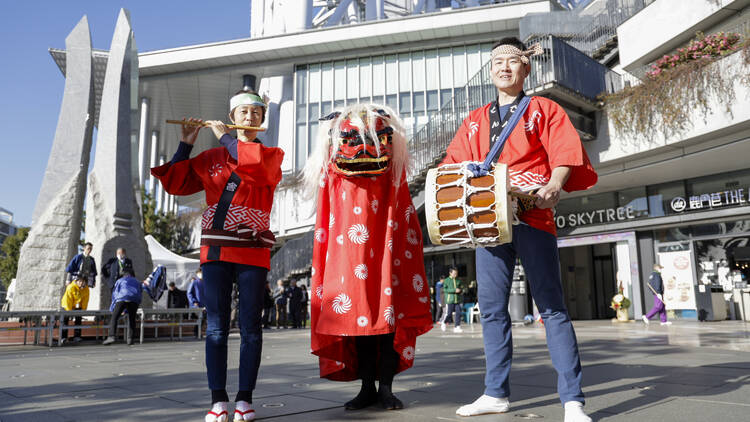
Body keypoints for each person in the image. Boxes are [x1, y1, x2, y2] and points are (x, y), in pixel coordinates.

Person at [442, 37, 598, 422]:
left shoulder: (544, 109)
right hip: (487, 221)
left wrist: (555, 184)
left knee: (551, 307)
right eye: (497, 62)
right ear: (491, 70)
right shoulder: (474, 120)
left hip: (532, 214)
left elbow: (564, 152)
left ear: (526, 68)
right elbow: (453, 166)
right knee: (493, 310)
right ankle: (495, 392)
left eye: (513, 61)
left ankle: (572, 400)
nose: (504, 68)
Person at [151, 88, 284, 422]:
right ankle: (218, 400)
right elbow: (176, 183)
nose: (250, 117)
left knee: (252, 326)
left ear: (262, 120)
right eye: (243, 112)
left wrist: (224, 138)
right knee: (216, 327)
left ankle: (245, 399)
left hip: (253, 249)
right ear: (232, 117)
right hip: (216, 249)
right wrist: (186, 143)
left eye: (256, 112)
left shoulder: (272, 156)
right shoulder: (210, 159)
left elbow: (250, 165)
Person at [303, 103, 432, 411]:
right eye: (351, 139)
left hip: (384, 245)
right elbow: (327, 210)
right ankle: (367, 386)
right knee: (357, 315)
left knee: (386, 315)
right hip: (348, 249)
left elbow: (401, 206)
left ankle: (385, 386)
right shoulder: (334, 172)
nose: (362, 148)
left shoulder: (392, 170)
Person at [103, 269, 151, 345]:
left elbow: (115, 294)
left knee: (114, 317)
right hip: (134, 300)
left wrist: (113, 308)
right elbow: (140, 291)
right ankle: (130, 339)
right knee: (131, 319)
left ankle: (111, 336)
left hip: (122, 298)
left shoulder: (120, 280)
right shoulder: (137, 281)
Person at [60, 277, 89, 345]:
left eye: (83, 281)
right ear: (77, 281)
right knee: (65, 320)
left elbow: (85, 300)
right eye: (80, 281)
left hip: (77, 306)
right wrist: (69, 311)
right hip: (67, 305)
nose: (81, 283)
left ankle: (77, 336)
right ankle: (63, 337)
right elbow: (68, 299)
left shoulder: (86, 289)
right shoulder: (71, 287)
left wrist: (83, 309)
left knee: (78, 319)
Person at [440, 268, 465, 333]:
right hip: (449, 300)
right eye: (454, 273)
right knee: (449, 314)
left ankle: (457, 326)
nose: (455, 275)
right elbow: (445, 290)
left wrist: (460, 290)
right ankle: (444, 322)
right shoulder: (446, 280)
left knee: (459, 313)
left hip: (457, 300)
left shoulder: (458, 280)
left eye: (456, 273)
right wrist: (454, 290)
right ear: (450, 273)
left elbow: (461, 287)